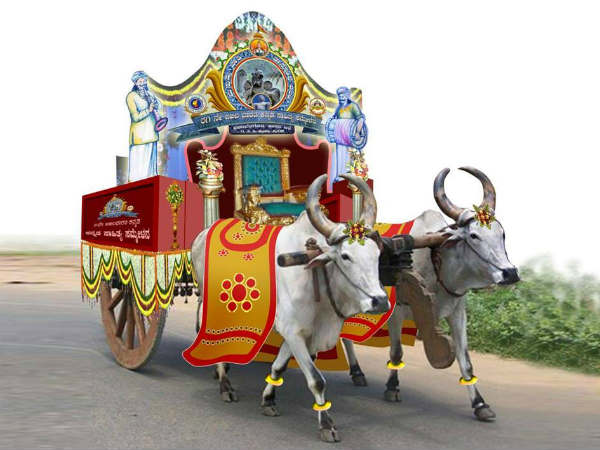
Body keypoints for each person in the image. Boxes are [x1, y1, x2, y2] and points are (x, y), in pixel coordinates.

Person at [126, 71, 161, 181]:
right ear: (135, 82)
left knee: (151, 169)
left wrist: (155, 104)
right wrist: (148, 110)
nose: (143, 83)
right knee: (139, 169)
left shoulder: (149, 93)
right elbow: (135, 117)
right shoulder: (131, 96)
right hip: (140, 137)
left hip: (152, 134)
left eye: (144, 81)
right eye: (140, 81)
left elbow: (159, 105)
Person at [328, 86, 366, 189]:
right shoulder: (339, 107)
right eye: (339, 96)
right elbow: (335, 117)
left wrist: (357, 132)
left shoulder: (353, 106)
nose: (341, 97)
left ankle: (350, 177)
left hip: (350, 137)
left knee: (350, 157)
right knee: (340, 156)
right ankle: (340, 176)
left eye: (343, 95)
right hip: (340, 136)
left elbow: (361, 119)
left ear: (347, 95)